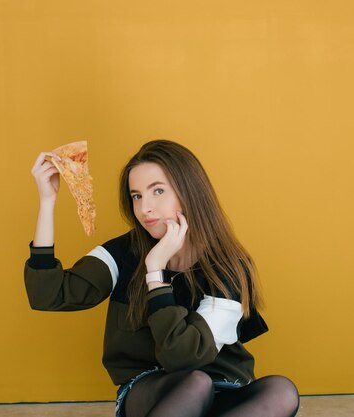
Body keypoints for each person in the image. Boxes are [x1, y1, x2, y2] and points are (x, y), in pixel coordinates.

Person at [25, 139, 299, 417]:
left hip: (220, 386)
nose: (145, 208)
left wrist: (156, 274)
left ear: (188, 192)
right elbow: (48, 294)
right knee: (195, 384)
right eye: (137, 196)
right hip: (151, 390)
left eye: (157, 191)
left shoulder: (228, 266)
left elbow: (185, 356)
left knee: (281, 390)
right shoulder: (123, 253)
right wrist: (48, 202)